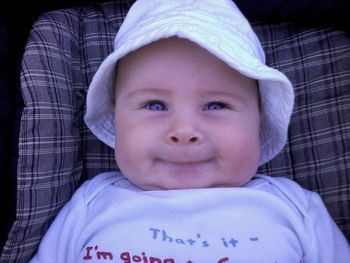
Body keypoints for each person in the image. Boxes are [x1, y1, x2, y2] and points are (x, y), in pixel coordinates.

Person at [30, 0, 350, 262]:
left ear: (259, 122)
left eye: (215, 106)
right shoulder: (91, 202)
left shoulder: (295, 208)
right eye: (155, 105)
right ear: (116, 118)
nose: (184, 131)